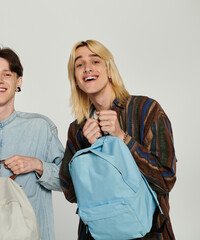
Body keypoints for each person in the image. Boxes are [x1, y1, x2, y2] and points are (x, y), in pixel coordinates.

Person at [59, 39, 176, 239]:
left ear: (109, 70)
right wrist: (86, 150)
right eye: (79, 65)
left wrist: (123, 138)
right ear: (76, 79)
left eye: (95, 61)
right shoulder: (77, 129)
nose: (87, 68)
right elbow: (70, 193)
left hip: (149, 234)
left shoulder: (146, 110)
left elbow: (166, 180)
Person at [0, 44, 64, 240]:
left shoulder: (41, 127)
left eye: (7, 74)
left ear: (19, 81)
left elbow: (68, 181)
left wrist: (38, 165)